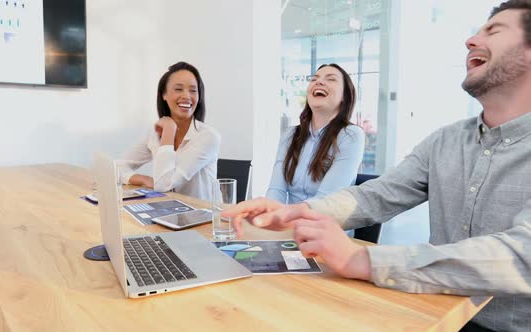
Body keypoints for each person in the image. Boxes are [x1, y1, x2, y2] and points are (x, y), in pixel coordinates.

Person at [223, 1, 531, 331]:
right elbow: (376, 196)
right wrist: (295, 212)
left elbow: (521, 256)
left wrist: (364, 259)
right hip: (433, 312)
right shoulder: (444, 141)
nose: (470, 41)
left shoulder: (350, 135)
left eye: (494, 31)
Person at [120, 61, 220, 200]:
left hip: (203, 216)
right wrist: (140, 178)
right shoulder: (155, 132)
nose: (186, 96)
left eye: (193, 90)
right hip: (168, 211)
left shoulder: (208, 136)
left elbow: (163, 185)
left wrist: (168, 131)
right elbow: (115, 168)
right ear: (164, 95)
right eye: (179, 89)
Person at [266, 64, 365, 204]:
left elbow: (325, 201)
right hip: (289, 222)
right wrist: (270, 215)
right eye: (314, 79)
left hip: (325, 222)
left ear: (345, 96)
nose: (319, 82)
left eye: (331, 79)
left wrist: (284, 218)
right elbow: (276, 191)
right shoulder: (290, 135)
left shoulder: (351, 135)